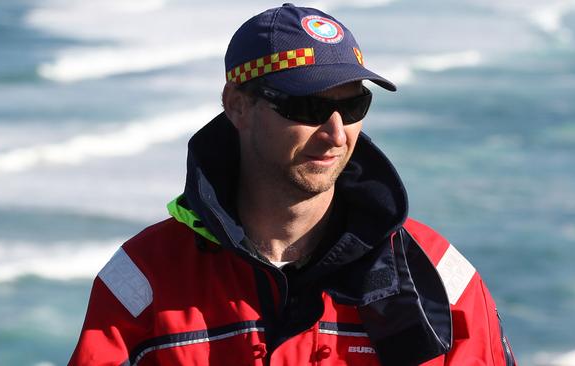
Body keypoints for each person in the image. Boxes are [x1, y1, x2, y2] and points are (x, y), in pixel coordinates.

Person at [69, 4, 516, 365]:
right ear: (237, 106)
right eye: (307, 106)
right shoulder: (143, 281)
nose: (336, 133)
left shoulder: (436, 277)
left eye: (355, 104)